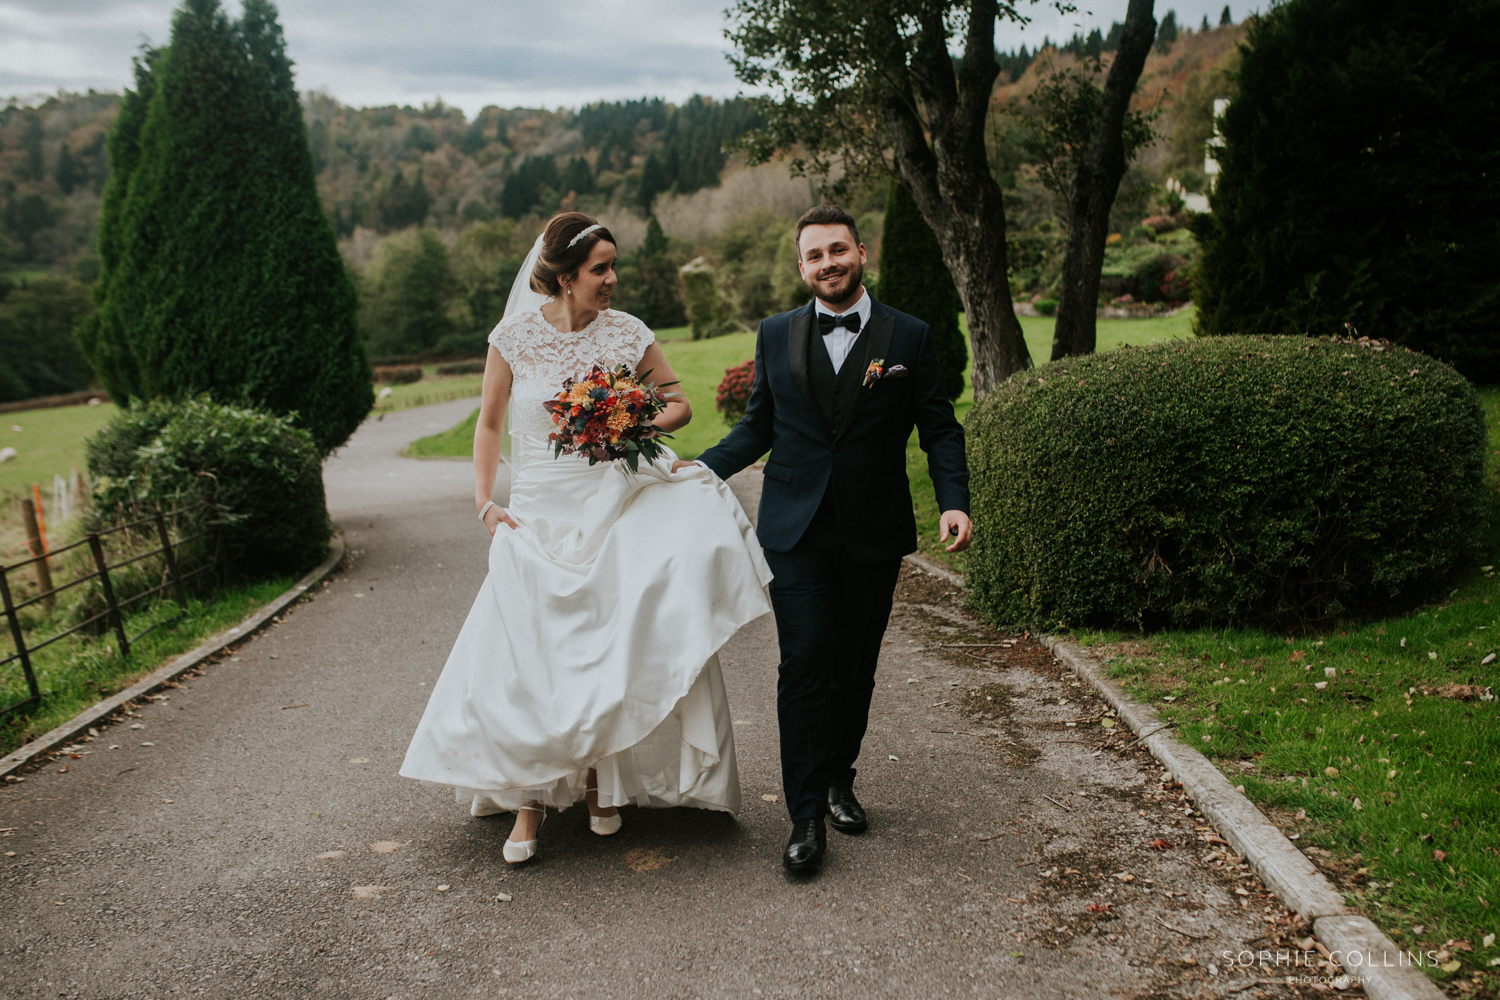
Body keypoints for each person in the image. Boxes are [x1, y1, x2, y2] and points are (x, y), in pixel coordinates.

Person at [401, 212, 772, 864]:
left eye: (613, 266)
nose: (613, 278)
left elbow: (680, 403)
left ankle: (603, 781)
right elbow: (488, 425)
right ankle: (529, 800)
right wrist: (485, 503)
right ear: (565, 277)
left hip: (613, 498)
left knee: (608, 642)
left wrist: (627, 413)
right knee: (536, 652)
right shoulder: (512, 339)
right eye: (600, 268)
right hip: (539, 510)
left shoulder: (628, 331)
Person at [674, 204, 972, 872]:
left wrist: (954, 502)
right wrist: (695, 470)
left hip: (874, 527)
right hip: (794, 528)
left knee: (855, 663)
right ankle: (805, 815)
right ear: (800, 267)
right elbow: (758, 427)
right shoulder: (776, 333)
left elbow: (941, 428)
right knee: (804, 663)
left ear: (860, 252)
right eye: (814, 255)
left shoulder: (910, 336)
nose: (827, 263)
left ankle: (840, 777)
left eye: (838, 250)